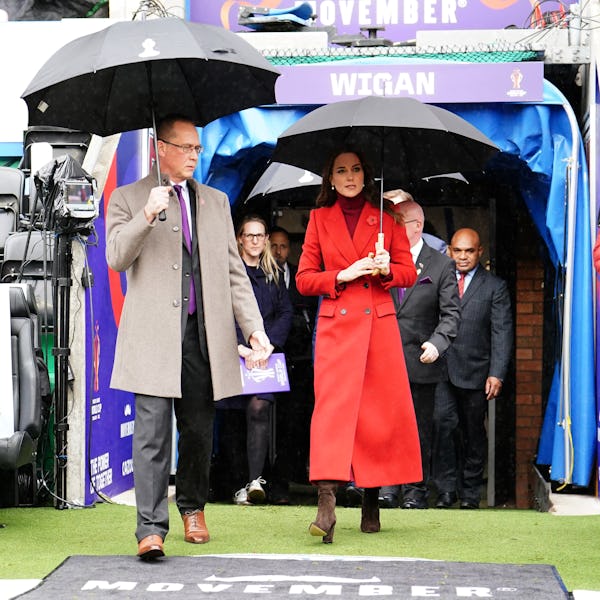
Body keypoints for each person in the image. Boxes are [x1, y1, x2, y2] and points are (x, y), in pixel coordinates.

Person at [105, 115, 272, 560]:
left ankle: (192, 507)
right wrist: (147, 214)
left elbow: (234, 272)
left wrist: (253, 328)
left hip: (203, 336)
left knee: (198, 432)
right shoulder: (128, 197)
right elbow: (117, 257)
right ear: (161, 148)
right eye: (186, 147)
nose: (195, 155)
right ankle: (150, 527)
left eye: (198, 148)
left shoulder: (216, 202)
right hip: (153, 340)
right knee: (152, 436)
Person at [296, 148, 422, 543]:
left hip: (377, 328)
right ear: (329, 179)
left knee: (375, 415)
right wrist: (344, 273)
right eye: (340, 171)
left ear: (365, 175)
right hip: (336, 328)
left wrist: (386, 269)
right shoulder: (318, 219)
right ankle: (326, 505)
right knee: (330, 414)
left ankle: (371, 498)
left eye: (355, 170)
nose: (349, 176)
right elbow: (303, 279)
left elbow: (409, 273)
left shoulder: (387, 218)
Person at [378, 197, 461, 510]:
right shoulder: (381, 261)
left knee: (418, 429)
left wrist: (438, 342)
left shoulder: (440, 265)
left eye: (397, 223)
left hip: (420, 359)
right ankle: (385, 487)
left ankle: (414, 491)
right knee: (384, 425)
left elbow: (451, 314)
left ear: (416, 227)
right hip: (383, 358)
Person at [432, 228, 513, 509]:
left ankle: (468, 495)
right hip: (441, 369)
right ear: (449, 251)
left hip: (477, 372)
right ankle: (444, 491)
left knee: (473, 433)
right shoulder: (440, 280)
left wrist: (497, 373)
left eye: (469, 251)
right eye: (458, 250)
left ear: (480, 252)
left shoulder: (495, 286)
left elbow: (501, 333)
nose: (463, 256)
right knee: (443, 426)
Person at [226, 215, 293, 505]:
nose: (255, 240)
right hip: (231, 354)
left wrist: (269, 345)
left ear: (266, 239)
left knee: (259, 408)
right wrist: (240, 347)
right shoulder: (228, 272)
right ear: (239, 238)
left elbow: (285, 313)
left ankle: (255, 481)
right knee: (230, 420)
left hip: (264, 357)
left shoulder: (274, 274)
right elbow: (220, 313)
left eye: (259, 235)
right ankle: (235, 483)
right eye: (249, 235)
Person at [268, 226, 317, 503]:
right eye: (273, 246)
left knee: (293, 422)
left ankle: (287, 476)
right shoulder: (258, 275)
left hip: (298, 362)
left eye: (284, 246)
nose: (279, 251)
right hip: (267, 357)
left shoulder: (300, 276)